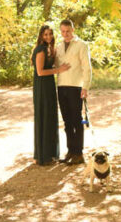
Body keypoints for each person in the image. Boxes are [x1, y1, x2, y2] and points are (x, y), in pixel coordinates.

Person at [32, 25, 70, 165]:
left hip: (49, 86)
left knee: (50, 116)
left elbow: (52, 65)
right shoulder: (41, 50)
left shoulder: (50, 49)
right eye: (45, 34)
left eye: (50, 34)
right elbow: (40, 72)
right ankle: (41, 155)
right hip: (42, 87)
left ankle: (49, 153)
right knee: (43, 117)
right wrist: (59, 70)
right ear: (41, 36)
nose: (48, 37)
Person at [55, 19, 92, 165]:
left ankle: (79, 153)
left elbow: (87, 67)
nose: (66, 34)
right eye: (63, 31)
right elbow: (56, 65)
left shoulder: (82, 45)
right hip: (61, 86)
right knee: (66, 121)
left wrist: (85, 87)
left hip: (76, 87)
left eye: (68, 31)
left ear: (73, 30)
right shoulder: (58, 46)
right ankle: (70, 151)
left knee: (77, 120)